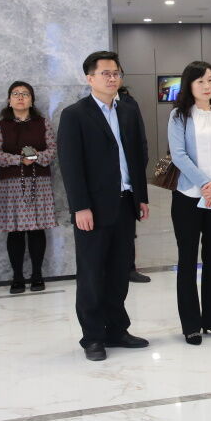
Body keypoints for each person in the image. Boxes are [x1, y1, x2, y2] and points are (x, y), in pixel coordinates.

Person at [57, 51, 151, 361]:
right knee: (92, 273)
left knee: (119, 272)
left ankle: (117, 330)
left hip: (124, 202)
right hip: (93, 209)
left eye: (116, 73)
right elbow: (70, 165)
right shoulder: (75, 114)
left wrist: (141, 196)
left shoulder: (128, 111)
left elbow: (138, 155)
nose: (112, 78)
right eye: (105, 73)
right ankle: (93, 337)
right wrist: (80, 207)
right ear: (90, 78)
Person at [169, 61, 211, 345]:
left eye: (210, 80)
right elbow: (179, 155)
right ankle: (191, 325)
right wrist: (204, 184)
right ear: (189, 85)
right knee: (188, 260)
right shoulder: (179, 116)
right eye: (200, 81)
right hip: (188, 196)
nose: (207, 86)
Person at [0, 81, 57, 294]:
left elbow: (52, 150)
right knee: (15, 231)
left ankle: (37, 274)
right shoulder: (1, 126)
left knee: (37, 229)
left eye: (25, 94)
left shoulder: (43, 123)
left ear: (32, 100)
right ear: (9, 100)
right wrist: (18, 159)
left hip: (39, 183)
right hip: (11, 184)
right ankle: (17, 276)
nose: (20, 97)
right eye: (15, 94)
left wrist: (35, 157)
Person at [117, 86, 151, 284]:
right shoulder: (85, 108)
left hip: (129, 183)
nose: (112, 78)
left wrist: (138, 176)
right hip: (105, 186)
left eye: (116, 73)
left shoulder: (129, 104)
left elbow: (140, 141)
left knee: (129, 232)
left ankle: (130, 268)